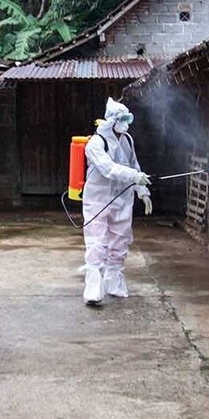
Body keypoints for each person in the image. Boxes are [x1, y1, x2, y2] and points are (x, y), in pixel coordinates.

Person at [81, 98, 152, 306]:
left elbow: (134, 165)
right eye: (123, 119)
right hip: (98, 199)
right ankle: (93, 287)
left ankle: (114, 283)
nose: (126, 123)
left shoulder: (127, 140)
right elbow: (109, 168)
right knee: (97, 241)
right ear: (112, 120)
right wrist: (133, 177)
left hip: (122, 198)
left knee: (120, 240)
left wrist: (142, 191)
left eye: (128, 119)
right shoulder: (96, 143)